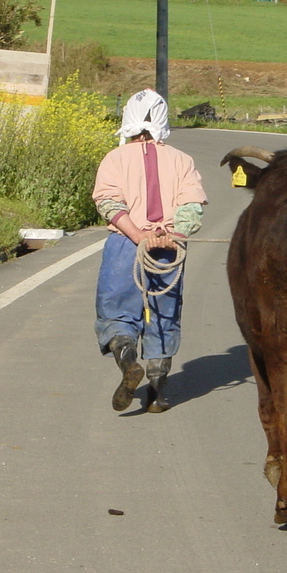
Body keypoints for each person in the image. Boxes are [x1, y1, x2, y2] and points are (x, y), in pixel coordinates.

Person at [92, 89, 208, 413]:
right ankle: (158, 391)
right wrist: (176, 234)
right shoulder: (183, 161)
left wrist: (139, 234)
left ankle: (128, 359)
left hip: (125, 246)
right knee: (163, 314)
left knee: (115, 312)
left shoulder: (114, 159)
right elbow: (191, 206)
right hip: (170, 250)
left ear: (127, 121)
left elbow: (108, 203)